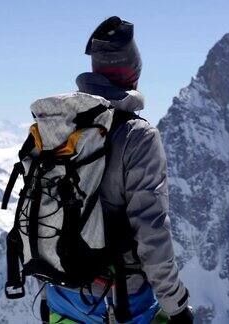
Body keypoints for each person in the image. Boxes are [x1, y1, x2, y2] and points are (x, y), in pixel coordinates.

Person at [43, 16, 194, 324]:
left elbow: (45, 209)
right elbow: (151, 230)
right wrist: (175, 305)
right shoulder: (139, 137)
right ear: (133, 77)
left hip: (60, 296)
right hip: (117, 302)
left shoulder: (60, 126)